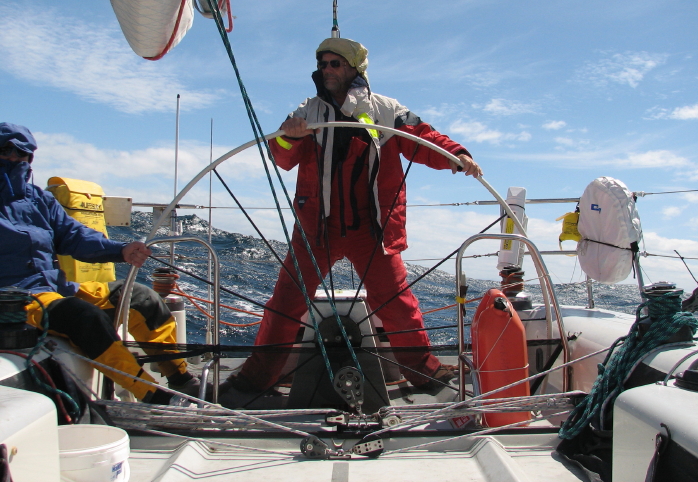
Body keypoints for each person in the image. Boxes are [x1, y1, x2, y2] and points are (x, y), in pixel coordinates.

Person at [225, 38, 482, 394]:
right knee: (285, 304)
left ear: (354, 69)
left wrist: (457, 154)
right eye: (323, 64)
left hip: (370, 228)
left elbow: (423, 138)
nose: (326, 70)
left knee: (397, 305)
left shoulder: (387, 109)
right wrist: (291, 136)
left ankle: (425, 372)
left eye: (335, 64)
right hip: (317, 229)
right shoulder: (308, 110)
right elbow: (281, 157)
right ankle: (255, 378)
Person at [0, 122, 199, 405]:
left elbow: (73, 235)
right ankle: (153, 395)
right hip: (15, 302)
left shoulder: (39, 200)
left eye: (24, 154)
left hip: (52, 289)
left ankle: (182, 379)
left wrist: (121, 250)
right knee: (84, 317)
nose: (16, 158)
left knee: (142, 298)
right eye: (7, 150)